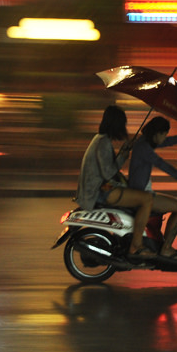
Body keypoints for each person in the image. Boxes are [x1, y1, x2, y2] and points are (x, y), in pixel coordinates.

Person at [75, 105, 157, 260]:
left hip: (99, 189)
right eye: (123, 124)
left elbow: (109, 167)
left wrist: (124, 151)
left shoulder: (101, 140)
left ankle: (127, 238)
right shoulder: (103, 143)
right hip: (99, 192)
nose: (124, 128)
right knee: (146, 199)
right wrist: (124, 156)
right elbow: (108, 173)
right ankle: (136, 246)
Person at [128, 116, 177, 260]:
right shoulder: (143, 147)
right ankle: (166, 249)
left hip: (143, 192)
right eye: (164, 134)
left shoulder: (144, 142)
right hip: (142, 194)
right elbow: (160, 163)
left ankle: (161, 245)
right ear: (157, 133)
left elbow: (169, 141)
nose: (165, 137)